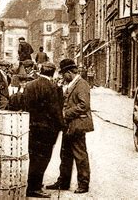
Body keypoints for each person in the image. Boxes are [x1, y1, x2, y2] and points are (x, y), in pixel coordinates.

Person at [9, 62, 64, 198]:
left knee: (33, 157)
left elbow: (24, 104)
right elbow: (55, 110)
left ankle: (32, 184)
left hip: (32, 126)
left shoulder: (30, 85)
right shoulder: (53, 87)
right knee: (43, 158)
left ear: (40, 71)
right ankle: (34, 187)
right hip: (47, 129)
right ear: (53, 73)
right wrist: (62, 125)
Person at [46, 59, 94, 194]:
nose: (62, 77)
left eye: (63, 74)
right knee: (65, 154)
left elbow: (84, 105)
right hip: (69, 125)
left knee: (80, 155)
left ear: (69, 72)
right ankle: (63, 182)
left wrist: (65, 113)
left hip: (77, 124)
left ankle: (83, 184)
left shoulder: (82, 84)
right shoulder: (73, 83)